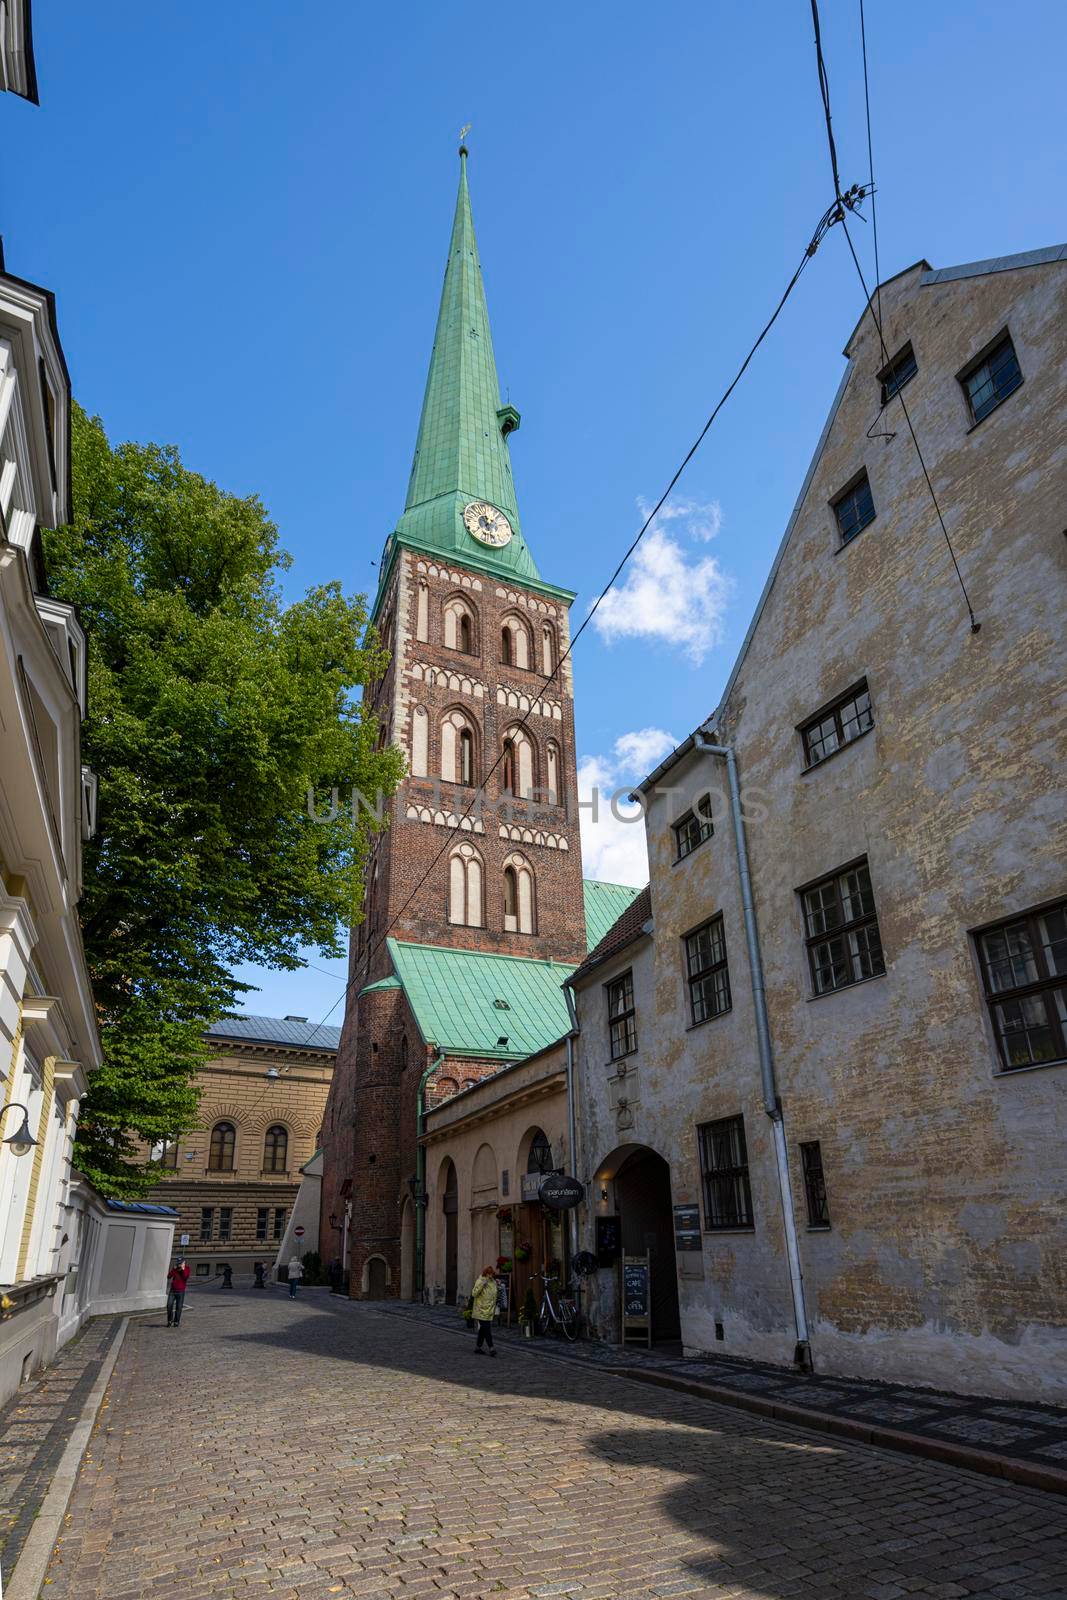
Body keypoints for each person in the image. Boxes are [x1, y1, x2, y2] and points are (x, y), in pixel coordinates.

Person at [470, 1265, 499, 1356]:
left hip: (489, 1309)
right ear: (485, 1273)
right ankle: (491, 1348)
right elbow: (474, 1293)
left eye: (492, 1274)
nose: (490, 1276)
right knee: (487, 1329)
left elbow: (493, 1295)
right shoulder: (480, 1281)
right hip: (481, 1310)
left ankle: (478, 1347)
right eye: (489, 1274)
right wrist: (482, 1284)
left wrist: (497, 1284)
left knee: (483, 1330)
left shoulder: (493, 1282)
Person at [166, 1258, 190, 1327]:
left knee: (178, 1307)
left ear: (183, 1262)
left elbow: (185, 1277)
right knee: (169, 1305)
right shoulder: (175, 1269)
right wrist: (173, 1269)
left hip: (181, 1291)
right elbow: (169, 1276)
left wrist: (182, 1269)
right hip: (172, 1291)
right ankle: (170, 1320)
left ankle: (176, 1321)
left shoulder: (187, 1268)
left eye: (180, 1263)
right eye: (178, 1263)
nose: (179, 1264)